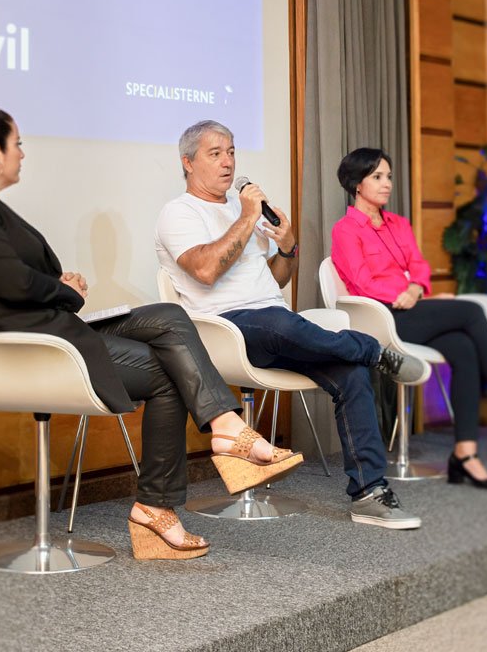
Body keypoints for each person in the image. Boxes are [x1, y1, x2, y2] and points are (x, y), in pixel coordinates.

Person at [0, 106, 303, 562]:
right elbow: (13, 285)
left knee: (170, 317)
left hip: (56, 328)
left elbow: (19, 276)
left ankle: (220, 438)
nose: (22, 153)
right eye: (16, 144)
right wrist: (61, 289)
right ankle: (169, 494)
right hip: (26, 347)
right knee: (169, 370)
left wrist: (58, 286)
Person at [155, 119, 428, 530]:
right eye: (215, 154)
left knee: (348, 372)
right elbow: (207, 270)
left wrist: (288, 245)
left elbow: (277, 278)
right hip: (224, 330)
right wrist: (247, 217)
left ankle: (370, 493)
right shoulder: (179, 213)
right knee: (284, 325)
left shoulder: (239, 210)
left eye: (231, 151)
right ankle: (374, 350)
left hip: (275, 321)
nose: (228, 161)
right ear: (188, 163)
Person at [332, 147, 487, 491]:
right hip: (383, 318)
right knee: (471, 311)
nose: (386, 184)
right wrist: (409, 292)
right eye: (377, 177)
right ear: (356, 183)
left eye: (389, 176)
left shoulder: (399, 224)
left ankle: (465, 453)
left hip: (412, 309)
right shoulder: (345, 230)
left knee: (463, 348)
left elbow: (420, 265)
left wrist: (416, 288)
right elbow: (361, 282)